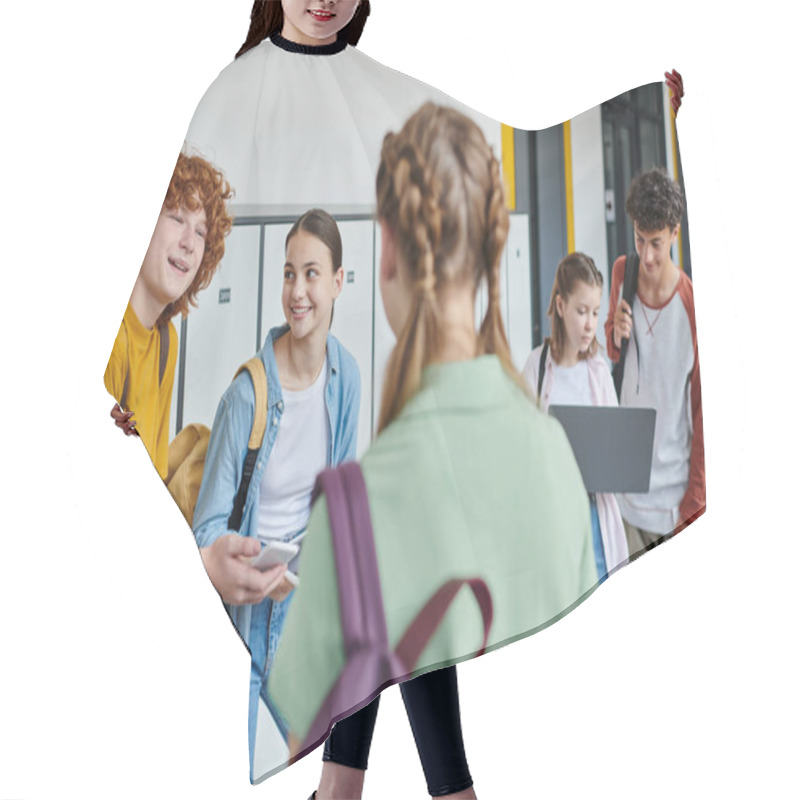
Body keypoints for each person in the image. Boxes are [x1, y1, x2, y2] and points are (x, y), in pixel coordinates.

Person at [268, 103, 597, 800]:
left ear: (385, 248)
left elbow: (288, 713)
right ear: (487, 247)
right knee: (387, 592)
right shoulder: (558, 461)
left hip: (375, 560)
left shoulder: (359, 508)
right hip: (578, 735)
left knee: (380, 582)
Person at [191, 208, 361, 778]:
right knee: (226, 770)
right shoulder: (247, 395)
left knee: (327, 758)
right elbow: (206, 530)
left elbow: (335, 499)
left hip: (298, 605)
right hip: (239, 614)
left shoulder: (347, 376)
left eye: (312, 274)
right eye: (289, 273)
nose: (297, 290)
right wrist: (235, 568)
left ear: (339, 281)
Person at [104, 152, 233, 478]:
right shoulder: (113, 345)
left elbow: (156, 474)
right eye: (177, 218)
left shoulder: (165, 341)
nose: (189, 243)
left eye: (201, 232)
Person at [604, 167, 704, 558]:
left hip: (673, 500)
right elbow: (614, 356)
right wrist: (615, 333)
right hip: (625, 493)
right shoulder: (621, 273)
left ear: (675, 233)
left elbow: (703, 412)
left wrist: (694, 503)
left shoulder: (692, 307)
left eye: (657, 243)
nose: (646, 255)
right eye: (639, 239)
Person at [522, 253, 629, 580]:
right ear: (560, 305)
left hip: (594, 517)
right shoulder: (536, 366)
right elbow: (521, 444)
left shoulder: (598, 370)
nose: (589, 324)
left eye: (595, 313)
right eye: (581, 311)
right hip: (551, 514)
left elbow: (616, 444)